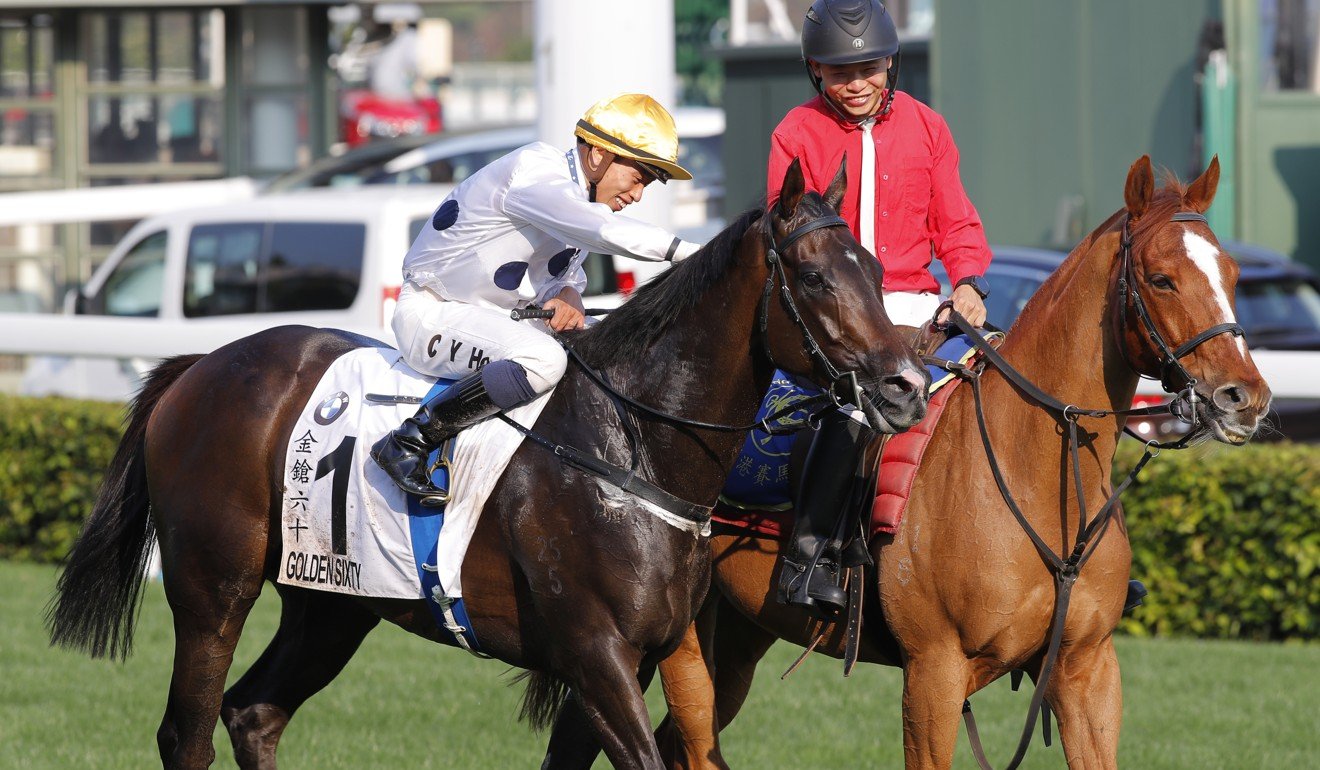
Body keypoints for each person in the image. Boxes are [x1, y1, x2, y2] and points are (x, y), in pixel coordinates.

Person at [767, 0, 993, 615]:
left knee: (1011, 387)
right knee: (859, 408)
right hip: (837, 316)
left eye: (868, 68)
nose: (857, 83)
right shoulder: (795, 132)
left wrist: (968, 283)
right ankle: (804, 559)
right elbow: (792, 238)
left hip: (920, 306)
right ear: (816, 70)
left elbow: (958, 222)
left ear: (890, 62)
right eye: (841, 72)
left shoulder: (928, 127)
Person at [373, 93, 699, 502]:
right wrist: (695, 254)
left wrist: (566, 294)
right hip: (431, 314)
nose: (638, 195)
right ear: (598, 155)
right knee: (544, 360)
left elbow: (560, 277)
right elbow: (598, 230)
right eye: (638, 179)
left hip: (497, 324)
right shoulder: (535, 171)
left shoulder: (578, 199)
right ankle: (411, 440)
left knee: (612, 352)